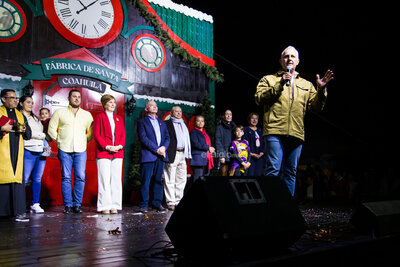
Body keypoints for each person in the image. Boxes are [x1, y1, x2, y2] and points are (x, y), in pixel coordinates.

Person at [255, 46, 334, 196]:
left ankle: (287, 208)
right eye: (286, 56)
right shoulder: (269, 79)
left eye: (292, 56)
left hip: (296, 132)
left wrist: (321, 89)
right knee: (273, 169)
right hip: (274, 131)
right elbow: (259, 98)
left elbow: (316, 107)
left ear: (297, 61)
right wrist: (279, 84)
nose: (289, 59)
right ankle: (270, 207)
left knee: (290, 172)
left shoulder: (306, 84)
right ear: (281, 61)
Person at [48, 89, 93, 214]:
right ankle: (68, 205)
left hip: (81, 150)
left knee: (80, 177)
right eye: (74, 96)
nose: (77, 99)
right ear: (69, 98)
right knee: (66, 177)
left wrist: (84, 141)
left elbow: (91, 132)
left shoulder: (87, 115)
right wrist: (59, 141)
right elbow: (51, 129)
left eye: (79, 97)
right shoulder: (59, 112)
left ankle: (77, 205)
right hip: (64, 149)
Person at [0, 89, 32, 221]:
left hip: (17, 151)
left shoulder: (20, 115)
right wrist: (1, 129)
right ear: (3, 99)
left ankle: (18, 211)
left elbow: (28, 134)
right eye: (11, 98)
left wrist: (24, 130)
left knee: (17, 179)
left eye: (15, 98)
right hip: (3, 151)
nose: (15, 100)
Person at [93, 94, 125, 214]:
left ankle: (115, 205)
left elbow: (123, 135)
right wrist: (107, 147)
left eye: (114, 102)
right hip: (103, 153)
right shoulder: (99, 117)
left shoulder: (119, 119)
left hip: (117, 152)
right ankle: (104, 206)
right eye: (110, 102)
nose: (113, 104)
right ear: (104, 104)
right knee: (104, 179)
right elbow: (96, 134)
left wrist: (119, 146)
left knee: (116, 180)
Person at [137, 100, 170, 213]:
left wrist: (164, 148)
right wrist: (157, 149)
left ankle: (157, 203)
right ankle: (144, 204)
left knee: (158, 180)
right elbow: (143, 138)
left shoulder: (162, 123)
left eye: (156, 105)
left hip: (160, 156)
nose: (154, 107)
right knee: (145, 180)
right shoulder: (142, 122)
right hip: (148, 155)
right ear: (146, 109)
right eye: (151, 105)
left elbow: (167, 138)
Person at [18, 96, 47, 213]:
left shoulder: (35, 118)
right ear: (21, 103)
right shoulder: (20, 116)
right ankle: (19, 204)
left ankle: (35, 203)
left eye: (32, 102)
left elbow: (39, 132)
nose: (31, 104)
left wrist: (41, 135)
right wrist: (41, 135)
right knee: (24, 178)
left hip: (40, 150)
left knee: (37, 178)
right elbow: (29, 134)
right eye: (28, 102)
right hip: (28, 149)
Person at [163, 106, 191, 211]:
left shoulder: (184, 124)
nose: (179, 113)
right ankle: (171, 202)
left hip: (183, 153)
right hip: (172, 153)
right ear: (171, 113)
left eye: (180, 111)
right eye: (176, 111)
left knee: (181, 179)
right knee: (170, 178)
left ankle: (179, 201)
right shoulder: (167, 124)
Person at [190, 115, 215, 182]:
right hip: (198, 160)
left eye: (202, 121)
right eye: (198, 121)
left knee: (205, 180)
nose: (200, 123)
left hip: (207, 159)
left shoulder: (206, 133)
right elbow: (196, 144)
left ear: (204, 123)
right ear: (195, 123)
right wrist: (208, 148)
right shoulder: (193, 132)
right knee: (197, 180)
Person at [215, 109, 236, 176]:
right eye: (227, 114)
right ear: (224, 116)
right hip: (224, 155)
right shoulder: (219, 127)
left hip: (234, 154)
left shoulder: (234, 127)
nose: (228, 116)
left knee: (232, 174)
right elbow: (218, 142)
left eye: (230, 114)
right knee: (224, 174)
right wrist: (221, 156)